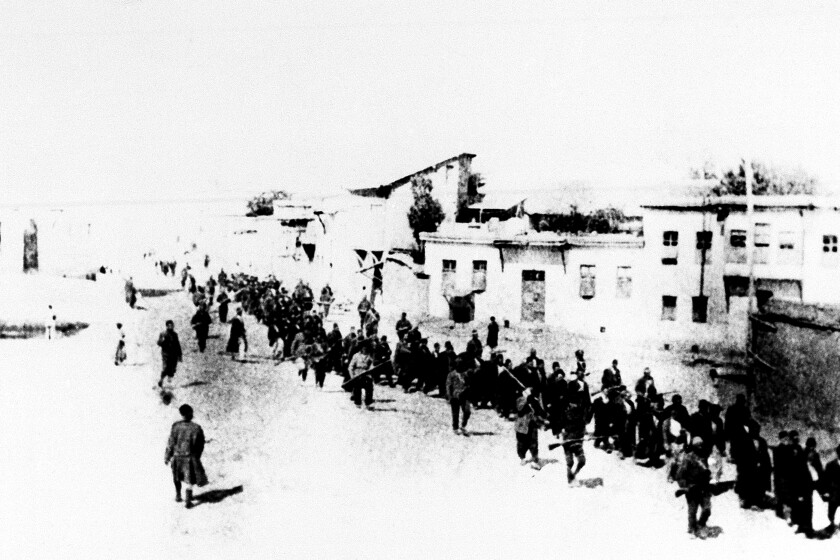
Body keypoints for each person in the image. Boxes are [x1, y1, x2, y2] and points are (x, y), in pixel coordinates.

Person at [164, 404, 208, 509]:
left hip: (177, 456)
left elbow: (171, 442)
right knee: (190, 479)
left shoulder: (175, 426)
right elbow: (200, 444)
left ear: (181, 414)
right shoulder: (196, 428)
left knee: (177, 477)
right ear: (190, 413)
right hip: (190, 457)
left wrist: (167, 456)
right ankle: (188, 500)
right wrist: (197, 456)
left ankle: (178, 495)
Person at [674, 437, 713, 539]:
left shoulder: (705, 456)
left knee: (707, 509)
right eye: (698, 445)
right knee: (693, 510)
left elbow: (710, 469)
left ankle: (700, 525)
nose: (700, 447)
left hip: (704, 487)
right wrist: (685, 486)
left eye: (701, 444)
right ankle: (691, 528)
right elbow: (679, 475)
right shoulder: (688, 458)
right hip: (692, 488)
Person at [562, 380, 589, 483]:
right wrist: (564, 434)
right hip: (568, 439)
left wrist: (584, 433)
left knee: (582, 461)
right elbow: (562, 424)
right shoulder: (565, 407)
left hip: (578, 438)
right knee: (570, 462)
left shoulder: (580, 408)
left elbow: (582, 423)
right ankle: (570, 477)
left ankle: (573, 475)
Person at [515, 387, 541, 468]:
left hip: (532, 424)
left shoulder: (534, 401)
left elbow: (539, 410)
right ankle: (522, 457)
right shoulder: (520, 400)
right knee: (522, 443)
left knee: (534, 442)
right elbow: (520, 409)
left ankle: (535, 459)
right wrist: (527, 400)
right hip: (522, 425)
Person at [446, 355, 471, 435]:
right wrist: (449, 396)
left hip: (464, 395)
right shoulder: (451, 374)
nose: (459, 365)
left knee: (467, 411)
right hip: (455, 396)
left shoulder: (465, 374)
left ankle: (463, 425)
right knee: (455, 413)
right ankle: (455, 427)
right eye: (458, 363)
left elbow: (469, 384)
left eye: (461, 363)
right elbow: (448, 385)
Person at [157, 320, 183, 388]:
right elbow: (159, 343)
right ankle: (161, 379)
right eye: (169, 325)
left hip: (174, 354)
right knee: (165, 368)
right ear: (167, 326)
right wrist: (161, 341)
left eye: (172, 325)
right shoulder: (163, 334)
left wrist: (180, 355)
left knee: (172, 368)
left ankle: (169, 377)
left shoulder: (175, 334)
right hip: (166, 354)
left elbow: (177, 345)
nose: (171, 327)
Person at [348, 342, 374, 408]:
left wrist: (370, 369)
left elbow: (372, 365)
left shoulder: (370, 356)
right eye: (363, 348)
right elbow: (350, 367)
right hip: (358, 374)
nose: (365, 349)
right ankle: (358, 403)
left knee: (369, 388)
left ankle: (368, 403)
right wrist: (352, 376)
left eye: (366, 348)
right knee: (357, 388)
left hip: (366, 375)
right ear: (361, 348)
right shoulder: (356, 356)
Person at [821, 444, 840, 528]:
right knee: (831, 514)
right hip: (834, 494)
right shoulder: (830, 465)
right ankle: (832, 527)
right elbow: (825, 480)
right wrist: (825, 491)